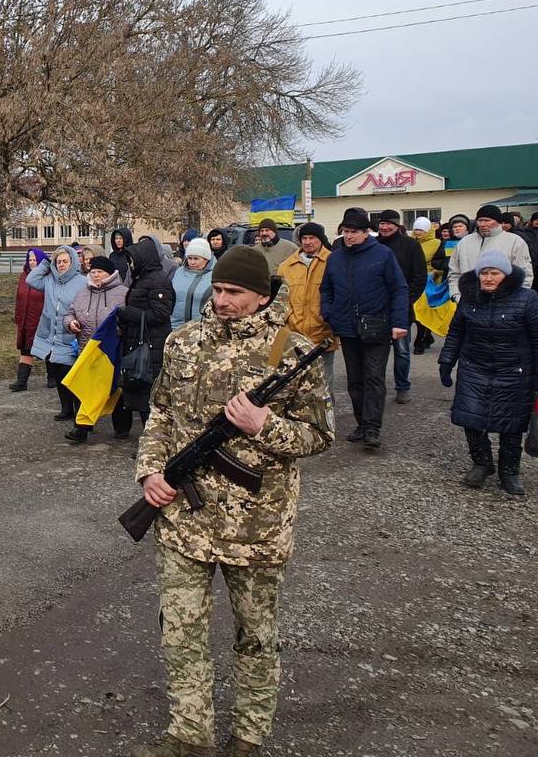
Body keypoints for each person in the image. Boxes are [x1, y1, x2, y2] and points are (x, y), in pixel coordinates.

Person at [134, 245, 334, 757]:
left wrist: (264, 425)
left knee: (256, 635)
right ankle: (189, 734)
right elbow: (160, 413)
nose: (221, 300)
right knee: (180, 632)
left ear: (262, 296)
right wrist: (150, 472)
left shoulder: (292, 351)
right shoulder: (183, 342)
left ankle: (249, 734)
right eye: (218, 289)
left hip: (257, 526)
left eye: (234, 292)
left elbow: (319, 435)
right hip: (183, 518)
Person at [438, 251, 538, 496]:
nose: (488, 278)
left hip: (514, 371)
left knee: (511, 424)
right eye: (484, 273)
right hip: (474, 369)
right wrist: (446, 361)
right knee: (471, 419)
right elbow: (456, 332)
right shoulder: (469, 299)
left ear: (506, 275)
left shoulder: (527, 299)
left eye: (494, 273)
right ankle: (482, 463)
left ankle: (509, 471)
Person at [321, 209, 409, 450]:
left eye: (354, 232)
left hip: (376, 326)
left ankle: (372, 427)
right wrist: (328, 313)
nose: (349, 236)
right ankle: (362, 424)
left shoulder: (382, 254)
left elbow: (399, 288)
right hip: (347, 328)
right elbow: (326, 289)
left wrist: (399, 322)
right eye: (346, 231)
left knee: (374, 377)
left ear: (366, 232)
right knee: (355, 381)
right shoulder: (335, 258)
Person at [63, 256, 130, 443]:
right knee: (84, 388)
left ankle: (122, 427)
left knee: (115, 389)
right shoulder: (82, 293)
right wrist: (70, 323)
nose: (96, 275)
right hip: (87, 349)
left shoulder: (124, 293)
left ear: (110, 273)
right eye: (93, 272)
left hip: (112, 351)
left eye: (100, 272)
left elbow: (129, 318)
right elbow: (69, 313)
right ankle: (81, 429)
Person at [116, 241, 176, 428]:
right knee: (140, 394)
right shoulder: (141, 278)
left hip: (151, 345)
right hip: (139, 341)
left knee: (148, 397)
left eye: (132, 260)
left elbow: (161, 314)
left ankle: (152, 438)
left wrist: (130, 314)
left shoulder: (158, 281)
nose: (130, 264)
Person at [26, 245, 88, 424]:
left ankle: (79, 413)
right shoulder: (49, 280)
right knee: (59, 375)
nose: (61, 264)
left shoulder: (82, 282)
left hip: (70, 335)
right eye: (58, 261)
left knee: (72, 376)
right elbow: (31, 279)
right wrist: (46, 263)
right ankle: (66, 408)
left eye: (65, 261)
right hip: (52, 338)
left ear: (72, 262)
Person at [275, 222, 338, 387]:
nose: (308, 242)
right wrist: (288, 318)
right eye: (305, 238)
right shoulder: (286, 266)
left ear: (321, 239)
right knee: (295, 383)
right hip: (294, 334)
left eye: (312, 238)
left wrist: (328, 319)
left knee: (324, 382)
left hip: (322, 333)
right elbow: (279, 299)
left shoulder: (333, 261)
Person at [375, 210, 427, 405]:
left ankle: (403, 386)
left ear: (397, 225)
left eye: (389, 223)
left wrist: (405, 300)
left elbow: (419, 276)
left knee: (402, 350)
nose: (385, 227)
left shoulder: (410, 245)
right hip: (376, 309)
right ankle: (376, 388)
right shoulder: (372, 245)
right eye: (382, 223)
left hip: (402, 308)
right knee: (376, 352)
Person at [448, 204, 532, 300]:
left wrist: (517, 301)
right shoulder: (464, 242)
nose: (482, 224)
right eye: (480, 220)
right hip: (468, 301)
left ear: (498, 222)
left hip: (503, 302)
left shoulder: (515, 242)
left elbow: (525, 274)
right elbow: (454, 272)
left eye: (487, 220)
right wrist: (456, 295)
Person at [9, 249, 47, 392]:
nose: (32, 262)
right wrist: (18, 317)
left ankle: (53, 378)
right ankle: (21, 381)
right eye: (30, 259)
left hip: (42, 320)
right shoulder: (23, 276)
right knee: (26, 349)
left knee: (48, 349)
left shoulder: (47, 277)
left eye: (35, 260)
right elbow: (19, 298)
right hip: (26, 320)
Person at [410, 217, 442, 354]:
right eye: (416, 229)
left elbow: (442, 262)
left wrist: (434, 273)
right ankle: (427, 336)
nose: (418, 232)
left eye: (421, 230)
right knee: (414, 311)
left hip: (429, 281)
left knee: (423, 311)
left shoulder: (437, 243)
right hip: (412, 279)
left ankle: (420, 340)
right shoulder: (410, 242)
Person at [169, 237, 214, 330]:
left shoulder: (214, 276)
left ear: (206, 259)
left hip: (201, 329)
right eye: (189, 258)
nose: (192, 262)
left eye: (196, 259)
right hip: (175, 327)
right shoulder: (179, 272)